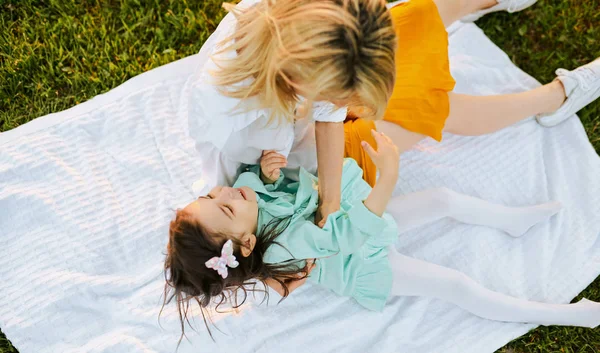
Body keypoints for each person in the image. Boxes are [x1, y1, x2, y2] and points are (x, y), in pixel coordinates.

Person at [163, 130, 600, 345]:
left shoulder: (247, 195)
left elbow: (268, 190)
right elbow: (345, 235)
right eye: (222, 204)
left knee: (443, 198)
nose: (224, 189)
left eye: (210, 192)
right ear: (245, 246)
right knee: (454, 285)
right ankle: (568, 313)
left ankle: (512, 221)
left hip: (357, 217)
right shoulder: (282, 247)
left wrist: (268, 172)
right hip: (359, 260)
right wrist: (387, 178)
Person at [186, 0, 600, 221]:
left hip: (310, 113)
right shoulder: (232, 128)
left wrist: (331, 202)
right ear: (297, 77)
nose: (347, 105)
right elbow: (237, 193)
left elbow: (330, 107)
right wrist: (327, 203)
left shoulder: (310, 17)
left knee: (416, 14)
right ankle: (557, 96)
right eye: (343, 94)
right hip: (302, 161)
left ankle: (481, 1)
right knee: (430, 106)